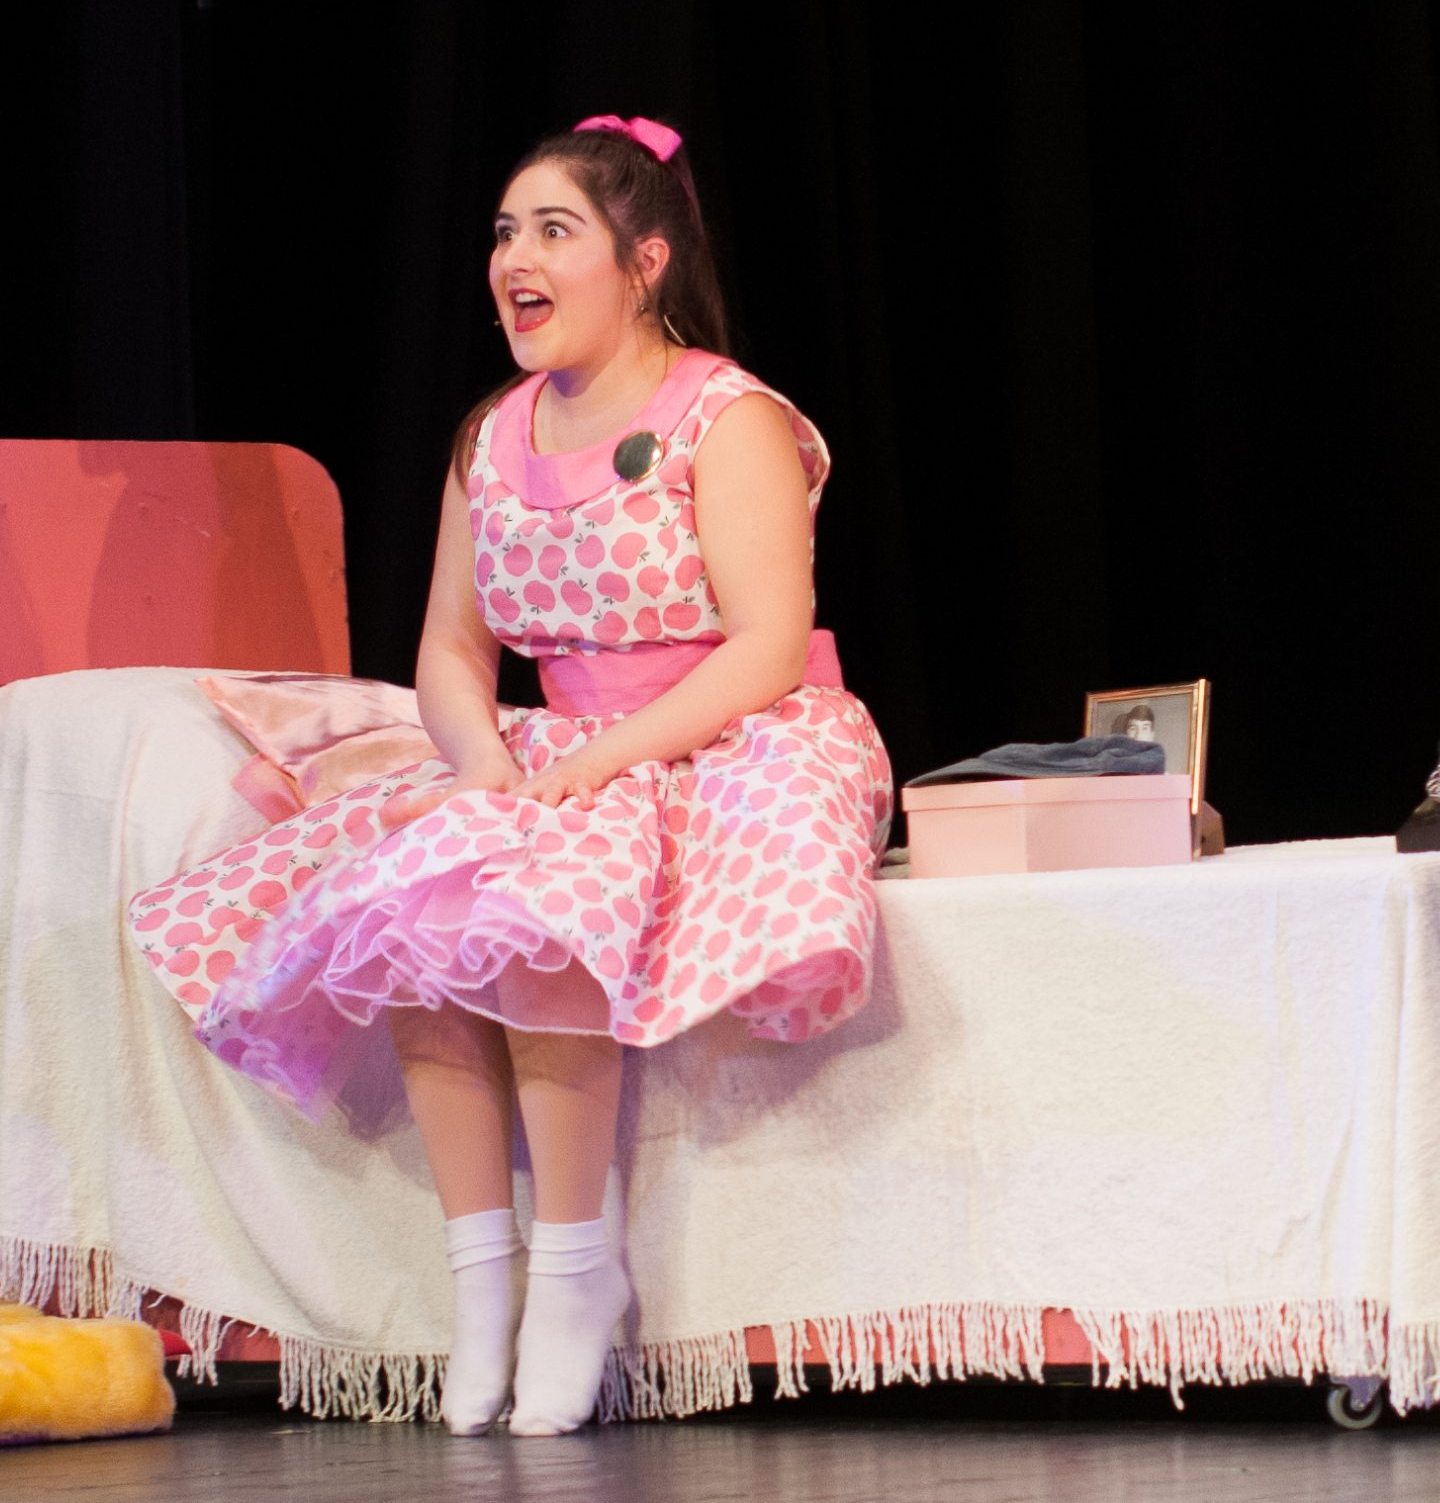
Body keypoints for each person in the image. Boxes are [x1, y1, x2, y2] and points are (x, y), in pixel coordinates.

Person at [126, 113, 895, 1438]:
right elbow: (449, 648)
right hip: (553, 746)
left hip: (723, 735)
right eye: (502, 233)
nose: (513, 260)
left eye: (553, 230)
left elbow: (767, 644)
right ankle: (484, 1277)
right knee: (418, 909)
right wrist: (483, 761)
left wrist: (592, 768)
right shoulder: (492, 437)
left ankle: (579, 1268)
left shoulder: (727, 415)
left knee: (545, 899)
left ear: (644, 261)